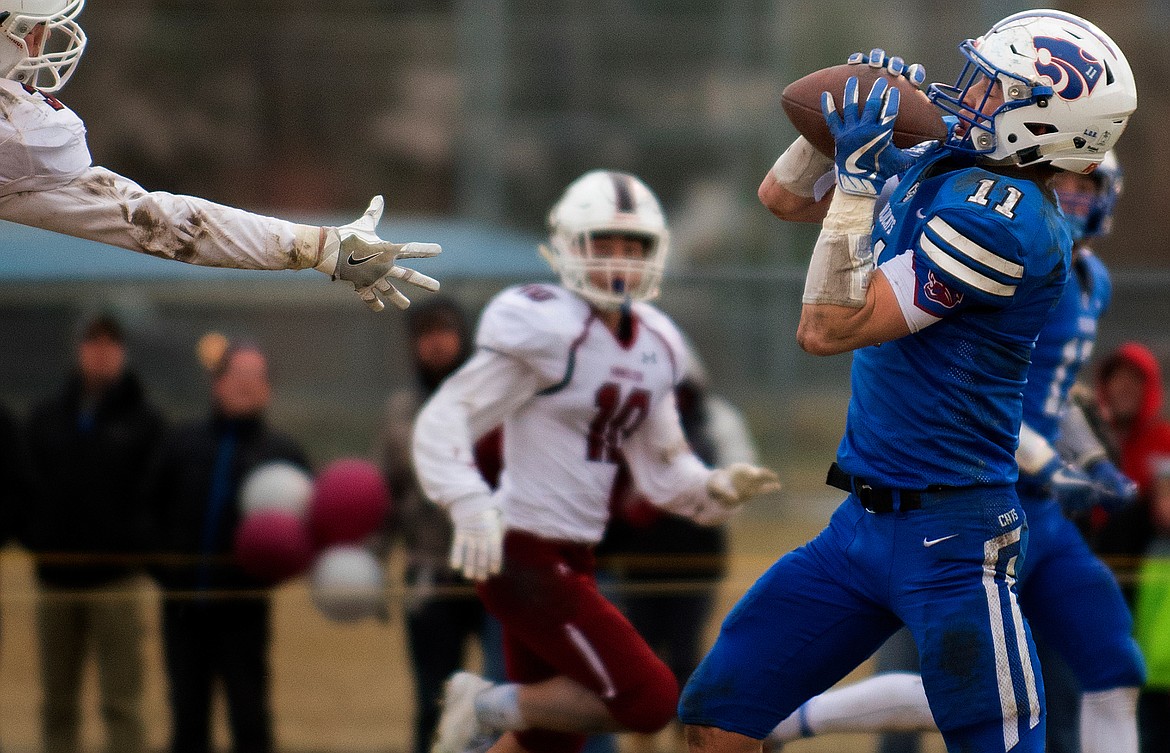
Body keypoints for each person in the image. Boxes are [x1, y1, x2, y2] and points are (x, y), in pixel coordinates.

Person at [680, 10, 1137, 753]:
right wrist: (833, 126)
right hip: (858, 524)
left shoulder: (1009, 221)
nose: (974, 92)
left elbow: (828, 327)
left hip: (955, 534)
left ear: (1046, 125)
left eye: (999, 87)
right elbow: (784, 199)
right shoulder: (950, 162)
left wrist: (860, 182)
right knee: (716, 720)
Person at [754, 152, 1146, 753]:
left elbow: (1056, 395)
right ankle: (786, 720)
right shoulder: (1015, 254)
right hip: (978, 490)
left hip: (1042, 510)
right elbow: (985, 397)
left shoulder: (1089, 278)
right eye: (1059, 178)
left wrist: (1091, 463)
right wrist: (1050, 466)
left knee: (1114, 661)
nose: (1068, 194)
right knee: (967, 687)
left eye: (1084, 182)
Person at [411, 170, 780, 753]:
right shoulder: (543, 322)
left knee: (549, 744)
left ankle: (499, 713)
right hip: (521, 552)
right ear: (568, 246)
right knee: (650, 698)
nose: (617, 261)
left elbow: (661, 465)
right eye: (602, 244)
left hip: (575, 553)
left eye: (631, 247)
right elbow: (445, 417)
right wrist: (467, 501)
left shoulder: (658, 339)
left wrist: (714, 488)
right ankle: (482, 703)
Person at [0, 0, 440, 312]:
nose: (39, 44)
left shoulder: (22, 139)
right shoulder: (21, 139)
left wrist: (316, 246)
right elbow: (154, 222)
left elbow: (154, 220)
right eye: (29, 30)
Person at [145, 342, 310, 753]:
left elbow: (306, 530)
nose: (247, 387)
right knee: (187, 721)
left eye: (256, 378)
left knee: (250, 720)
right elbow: (147, 509)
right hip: (182, 610)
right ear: (217, 384)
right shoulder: (180, 441)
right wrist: (165, 571)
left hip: (246, 613)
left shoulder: (284, 455)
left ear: (268, 389)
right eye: (238, 376)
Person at [596, 356, 760, 753]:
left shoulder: (716, 419)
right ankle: (644, 744)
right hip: (636, 562)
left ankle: (689, 741)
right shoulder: (628, 418)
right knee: (640, 657)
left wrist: (703, 494)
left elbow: (739, 480)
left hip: (695, 560)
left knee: (686, 657)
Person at [20, 311, 166, 753]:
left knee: (122, 705)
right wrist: (37, 537)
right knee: (57, 706)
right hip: (55, 583)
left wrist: (136, 543)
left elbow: (156, 494)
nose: (101, 351)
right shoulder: (45, 418)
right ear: (78, 349)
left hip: (117, 584)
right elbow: (27, 486)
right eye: (92, 341)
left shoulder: (146, 421)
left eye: (110, 343)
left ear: (122, 352)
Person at [374, 295, 506, 753]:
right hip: (429, 571)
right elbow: (386, 494)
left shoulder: (495, 402)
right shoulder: (400, 411)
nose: (435, 343)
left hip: (497, 570)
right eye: (424, 334)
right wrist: (371, 561)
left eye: (445, 330)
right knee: (432, 701)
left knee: (501, 696)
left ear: (463, 337)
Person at [1093, 342, 1170, 752]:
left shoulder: (1162, 441)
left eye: (1134, 380)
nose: (1124, 388)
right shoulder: (1087, 438)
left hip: (1150, 597)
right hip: (1092, 584)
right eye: (1117, 378)